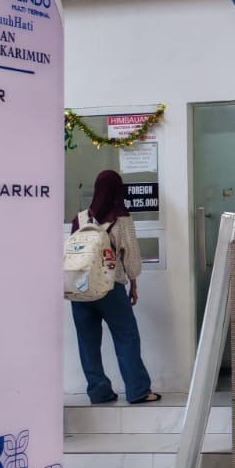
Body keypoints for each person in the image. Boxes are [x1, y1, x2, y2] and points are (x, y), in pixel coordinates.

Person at [70, 170, 158, 406]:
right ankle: (138, 390)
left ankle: (99, 392)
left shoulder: (80, 218)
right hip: (110, 288)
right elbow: (131, 257)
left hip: (79, 289)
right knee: (126, 336)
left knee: (87, 342)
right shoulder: (121, 218)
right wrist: (134, 283)